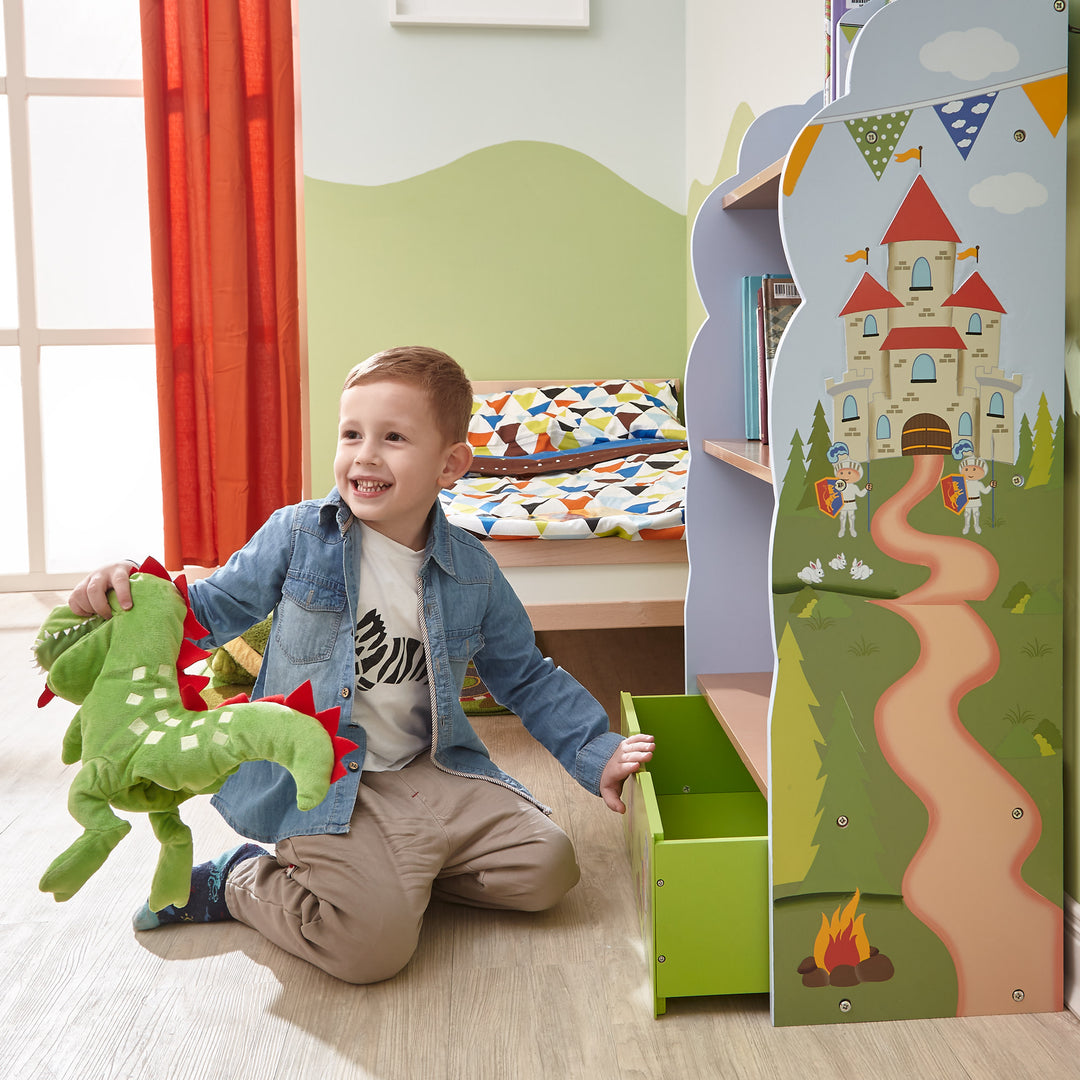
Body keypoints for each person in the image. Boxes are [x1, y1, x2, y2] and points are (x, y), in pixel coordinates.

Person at [69, 345, 655, 985]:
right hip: (322, 777)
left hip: (429, 769)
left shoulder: (472, 570)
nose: (365, 455)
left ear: (449, 464)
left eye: (394, 437)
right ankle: (238, 879)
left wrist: (596, 750)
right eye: (352, 434)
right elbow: (206, 612)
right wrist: (132, 597)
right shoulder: (297, 535)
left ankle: (396, 877)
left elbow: (527, 674)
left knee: (548, 871)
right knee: (368, 952)